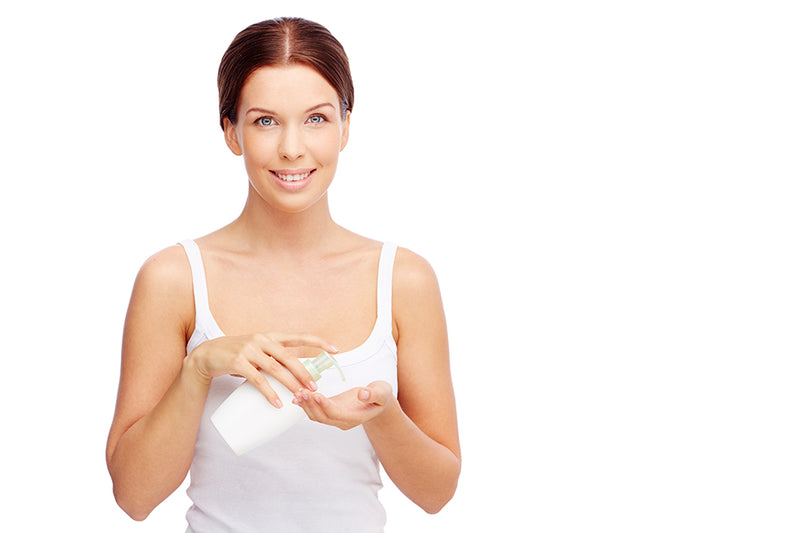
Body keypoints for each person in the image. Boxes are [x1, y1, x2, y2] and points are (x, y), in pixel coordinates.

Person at [105, 17, 460, 532]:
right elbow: (134, 496)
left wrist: (383, 415)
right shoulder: (173, 279)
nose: (292, 148)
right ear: (231, 131)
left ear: (345, 126)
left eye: (316, 119)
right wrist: (199, 368)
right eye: (266, 121)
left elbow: (437, 493)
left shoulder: (404, 280)